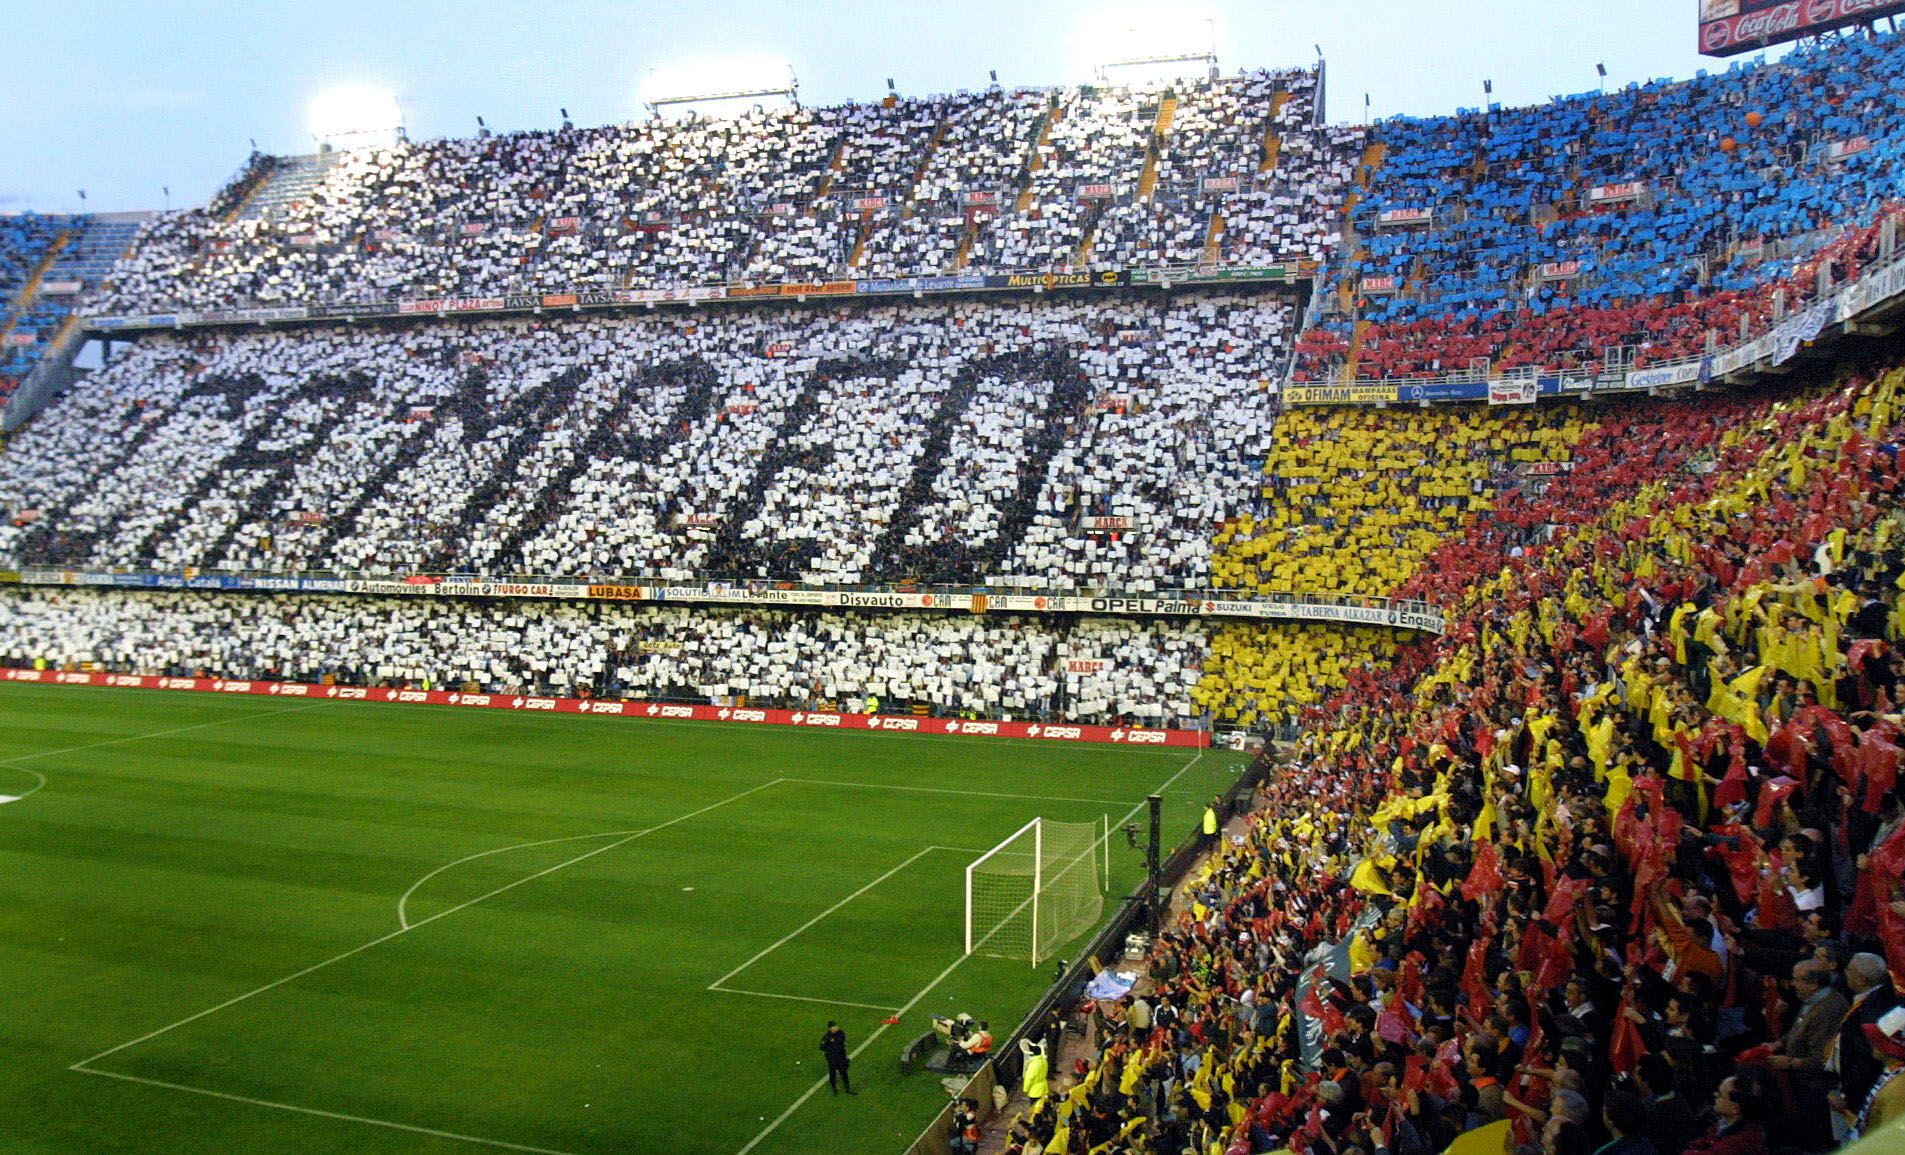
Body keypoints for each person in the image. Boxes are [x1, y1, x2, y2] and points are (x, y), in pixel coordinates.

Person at [820, 1020, 854, 1095]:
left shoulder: (840, 1032)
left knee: (844, 1072)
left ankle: (848, 1088)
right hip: (832, 1058)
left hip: (841, 1056)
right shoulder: (826, 1037)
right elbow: (822, 1047)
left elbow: (843, 1041)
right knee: (832, 1073)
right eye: (835, 1026)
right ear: (831, 1028)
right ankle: (834, 1088)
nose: (837, 1027)